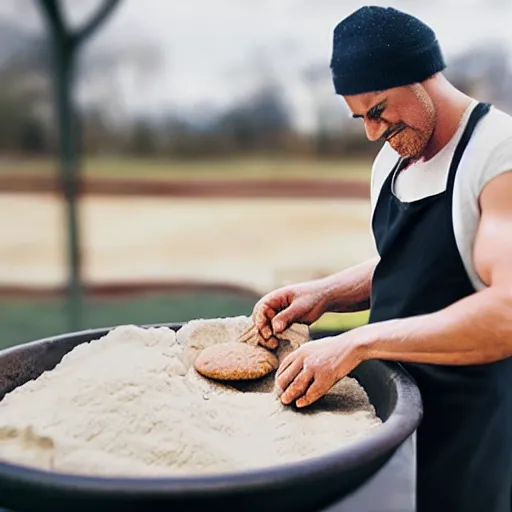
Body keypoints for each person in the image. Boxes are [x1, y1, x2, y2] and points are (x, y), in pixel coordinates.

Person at [251, 6, 512, 512]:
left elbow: (505, 313)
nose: (373, 132)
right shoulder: (391, 163)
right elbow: (419, 265)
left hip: (471, 425)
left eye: (378, 110)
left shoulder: (496, 155)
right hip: (389, 411)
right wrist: (323, 293)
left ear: (421, 75)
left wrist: (359, 341)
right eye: (360, 118)